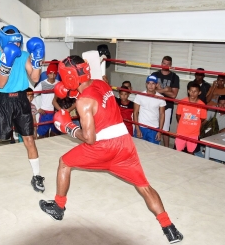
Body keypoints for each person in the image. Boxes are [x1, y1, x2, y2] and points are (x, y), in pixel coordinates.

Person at [39, 55, 183, 244]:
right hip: (124, 144)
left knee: (64, 163)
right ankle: (169, 229)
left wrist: (69, 128)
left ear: (68, 77)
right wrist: (72, 92)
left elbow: (90, 138)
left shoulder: (83, 102)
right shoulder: (102, 84)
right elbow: (95, 98)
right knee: (144, 186)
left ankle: (58, 208)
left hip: (102, 147)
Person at [0, 25, 46, 193]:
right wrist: (6, 63)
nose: (16, 46)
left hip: (21, 100)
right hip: (2, 102)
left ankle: (37, 175)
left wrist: (37, 60)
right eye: (13, 43)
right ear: (4, 42)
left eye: (18, 43)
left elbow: (35, 78)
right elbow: (1, 83)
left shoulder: (24, 56)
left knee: (29, 139)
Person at [151, 56, 180, 148]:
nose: (166, 65)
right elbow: (151, 90)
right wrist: (165, 90)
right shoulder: (154, 74)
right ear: (161, 64)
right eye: (164, 63)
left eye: (168, 64)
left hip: (167, 106)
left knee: (165, 129)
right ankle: (154, 145)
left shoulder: (174, 77)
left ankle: (166, 148)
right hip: (154, 104)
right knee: (153, 126)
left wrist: (159, 89)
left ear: (171, 65)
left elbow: (173, 95)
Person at [175, 82, 207, 154]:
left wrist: (195, 125)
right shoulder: (182, 102)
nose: (193, 93)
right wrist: (182, 124)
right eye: (191, 91)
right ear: (188, 91)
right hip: (181, 132)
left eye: (195, 91)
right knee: (178, 152)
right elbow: (178, 115)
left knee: (191, 152)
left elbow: (203, 119)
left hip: (193, 134)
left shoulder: (202, 105)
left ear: (199, 92)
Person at [133, 75, 166, 145]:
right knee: (139, 149)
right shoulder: (139, 95)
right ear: (146, 84)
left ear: (156, 85)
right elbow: (135, 113)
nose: (150, 85)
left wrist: (160, 131)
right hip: (141, 127)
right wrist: (137, 129)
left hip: (154, 129)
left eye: (153, 83)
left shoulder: (161, 98)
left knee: (153, 151)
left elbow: (162, 114)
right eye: (149, 83)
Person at [34, 62, 60, 138]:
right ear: (47, 74)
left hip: (55, 113)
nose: (52, 75)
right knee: (42, 135)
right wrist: (38, 108)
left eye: (54, 73)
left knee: (55, 135)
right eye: (51, 73)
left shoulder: (59, 84)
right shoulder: (42, 84)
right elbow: (31, 96)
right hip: (45, 113)